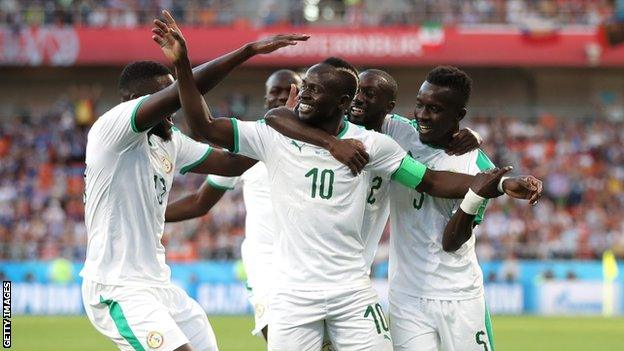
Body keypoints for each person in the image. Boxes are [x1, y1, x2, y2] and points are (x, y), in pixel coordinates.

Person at [172, 51, 538, 348]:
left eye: (315, 89)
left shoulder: (379, 143)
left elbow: (430, 179)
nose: (302, 94)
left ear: (345, 103)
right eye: (306, 87)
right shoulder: (275, 135)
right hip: (291, 290)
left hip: (355, 288)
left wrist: (500, 183)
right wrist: (183, 64)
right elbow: (218, 124)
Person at [80, 11, 308, 351]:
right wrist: (243, 52)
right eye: (161, 99)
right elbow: (184, 93)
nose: (171, 110)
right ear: (132, 104)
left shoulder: (168, 140)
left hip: (160, 285)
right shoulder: (110, 130)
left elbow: (231, 164)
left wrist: (281, 130)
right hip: (117, 287)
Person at [165, 69, 304, 341]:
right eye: (272, 93)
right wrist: (150, 215)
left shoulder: (320, 143)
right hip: (264, 261)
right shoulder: (249, 141)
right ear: (265, 101)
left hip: (307, 258)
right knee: (278, 339)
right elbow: (200, 201)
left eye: (288, 91)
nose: (279, 98)